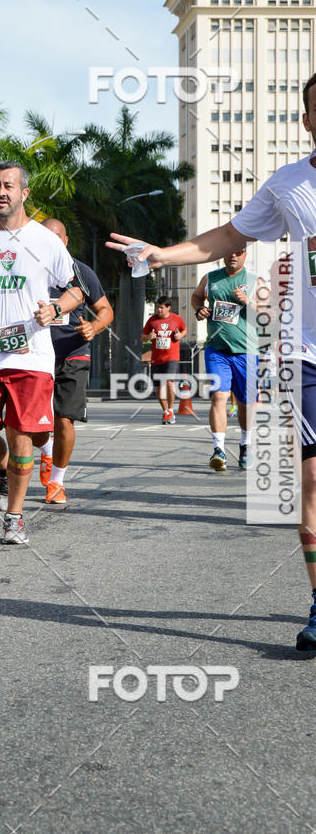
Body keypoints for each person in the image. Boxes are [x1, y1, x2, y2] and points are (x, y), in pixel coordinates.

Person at [106, 71, 316, 651]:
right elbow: (226, 235)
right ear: (307, 120)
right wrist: (160, 255)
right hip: (308, 353)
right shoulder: (289, 184)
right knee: (313, 480)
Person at [0, 162, 83, 544]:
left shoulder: (45, 240)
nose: (1, 192)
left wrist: (56, 308)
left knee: (21, 434)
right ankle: (5, 465)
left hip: (32, 356)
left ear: (24, 193)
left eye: (8, 186)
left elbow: (76, 290)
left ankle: (14, 518)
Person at [38, 218, 113, 504]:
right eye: (45, 238)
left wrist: (94, 327)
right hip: (35, 355)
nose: (51, 244)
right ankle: (47, 449)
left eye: (56, 239)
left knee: (64, 419)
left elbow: (105, 310)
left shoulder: (80, 271)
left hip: (73, 352)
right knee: (31, 425)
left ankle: (57, 481)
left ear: (65, 241)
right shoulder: (29, 269)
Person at [191, 249, 257, 471]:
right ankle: (218, 450)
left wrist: (248, 302)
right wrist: (200, 309)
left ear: (245, 255)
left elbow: (268, 314)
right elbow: (196, 297)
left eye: (239, 252)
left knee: (246, 403)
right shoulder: (210, 278)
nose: (233, 256)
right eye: (229, 252)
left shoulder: (255, 280)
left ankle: (245, 444)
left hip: (246, 352)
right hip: (216, 349)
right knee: (219, 397)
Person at [141, 296, 186, 426]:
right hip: (156, 358)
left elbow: (184, 330)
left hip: (171, 357)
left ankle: (171, 410)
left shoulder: (176, 319)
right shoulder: (152, 320)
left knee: (169, 383)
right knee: (159, 387)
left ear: (168, 307)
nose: (159, 310)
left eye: (161, 307)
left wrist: (180, 335)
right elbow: (143, 337)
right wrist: (148, 337)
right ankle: (165, 411)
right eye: (158, 307)